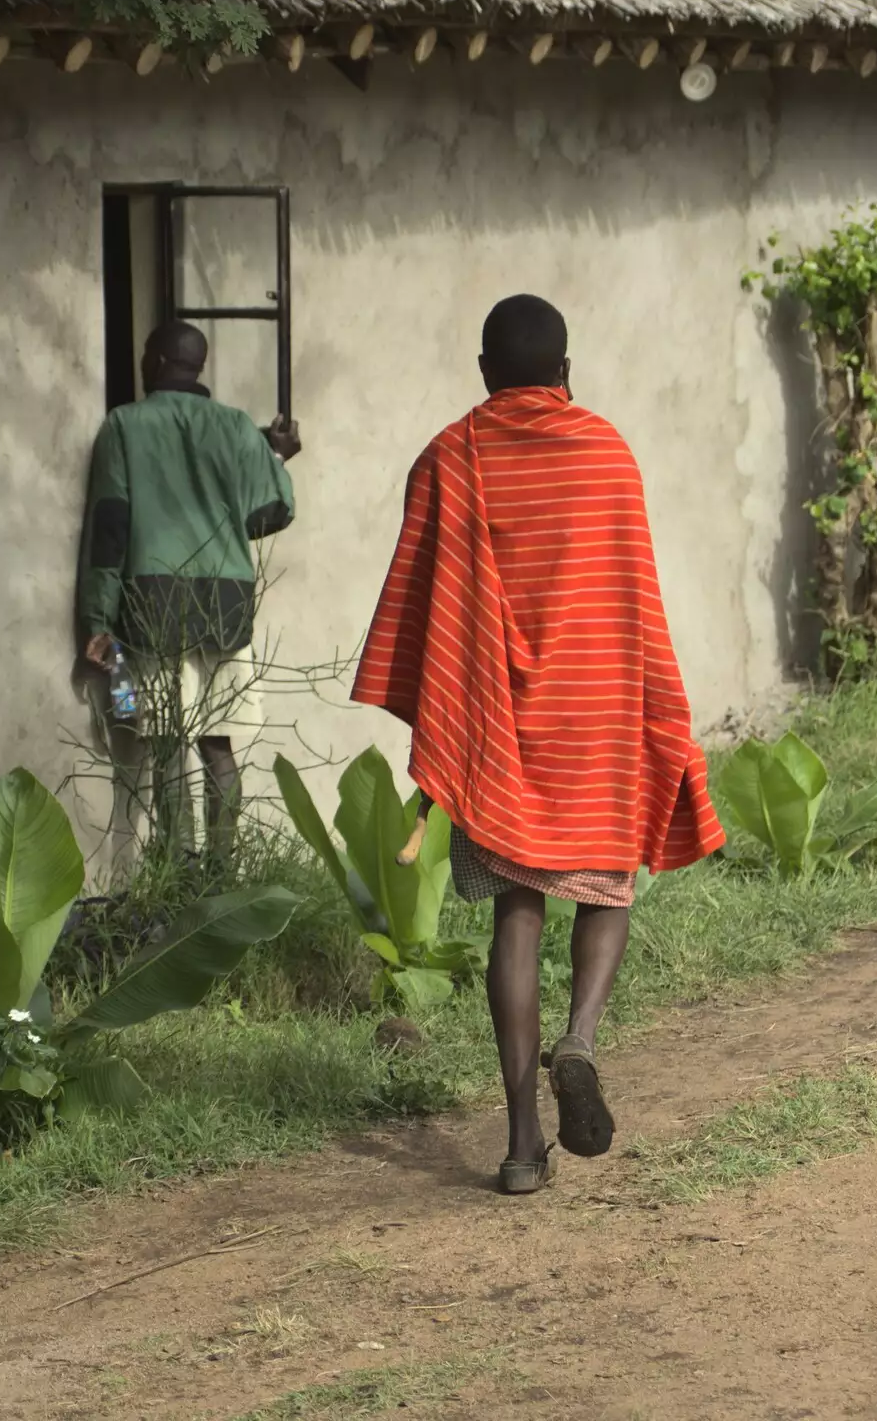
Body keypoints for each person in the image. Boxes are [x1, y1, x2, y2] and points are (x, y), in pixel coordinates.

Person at [352, 295, 724, 1194]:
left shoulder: (449, 456)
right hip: (596, 715)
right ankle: (580, 1039)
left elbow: (422, 599)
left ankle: (522, 1147)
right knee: (606, 887)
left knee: (517, 916)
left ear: (485, 371)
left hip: (499, 726)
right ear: (566, 370)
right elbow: (635, 596)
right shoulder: (607, 451)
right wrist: (657, 708)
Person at [79, 320, 300, 864]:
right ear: (197, 366)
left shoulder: (124, 426)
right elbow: (274, 510)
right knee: (219, 745)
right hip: (226, 610)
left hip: (150, 608)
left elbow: (111, 528)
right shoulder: (234, 429)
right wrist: (270, 458)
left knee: (168, 743)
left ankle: (178, 870)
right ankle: (222, 877)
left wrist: (97, 619)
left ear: (153, 362)